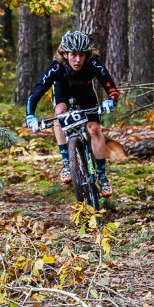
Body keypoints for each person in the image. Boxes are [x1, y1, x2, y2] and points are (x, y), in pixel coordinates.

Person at [25, 30, 120, 196]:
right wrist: (30, 116)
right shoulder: (56, 67)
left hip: (85, 93)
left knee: (95, 129)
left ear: (87, 54)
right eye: (73, 55)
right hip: (63, 92)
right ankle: (67, 163)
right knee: (59, 113)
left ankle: (103, 176)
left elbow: (111, 87)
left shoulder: (93, 63)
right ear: (65, 53)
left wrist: (110, 100)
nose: (78, 60)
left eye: (82, 55)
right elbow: (35, 93)